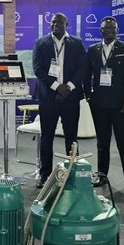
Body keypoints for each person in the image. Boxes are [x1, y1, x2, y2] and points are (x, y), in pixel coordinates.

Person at [84, 16, 124, 192]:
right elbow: (86, 75)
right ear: (100, 31)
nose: (109, 31)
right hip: (99, 104)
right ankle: (102, 175)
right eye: (106, 28)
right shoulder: (93, 50)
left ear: (117, 31)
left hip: (120, 105)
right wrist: (89, 97)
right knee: (102, 143)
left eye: (113, 28)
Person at [32, 13, 87, 188]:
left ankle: (72, 174)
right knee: (46, 137)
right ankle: (45, 175)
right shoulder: (41, 43)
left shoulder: (77, 43)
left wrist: (68, 87)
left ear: (66, 24)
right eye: (53, 22)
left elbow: (82, 68)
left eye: (60, 22)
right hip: (48, 97)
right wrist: (57, 87)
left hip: (71, 97)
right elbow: (38, 69)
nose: (56, 25)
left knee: (71, 137)